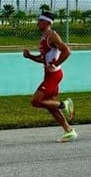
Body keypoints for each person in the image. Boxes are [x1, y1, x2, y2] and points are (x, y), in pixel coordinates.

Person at [23, 12, 77, 142]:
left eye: (40, 20)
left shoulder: (52, 36)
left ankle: (65, 104)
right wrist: (30, 56)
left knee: (36, 101)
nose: (38, 22)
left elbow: (67, 51)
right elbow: (43, 59)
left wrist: (55, 64)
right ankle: (69, 131)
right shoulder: (44, 38)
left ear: (47, 23)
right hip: (49, 75)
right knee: (50, 106)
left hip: (54, 75)